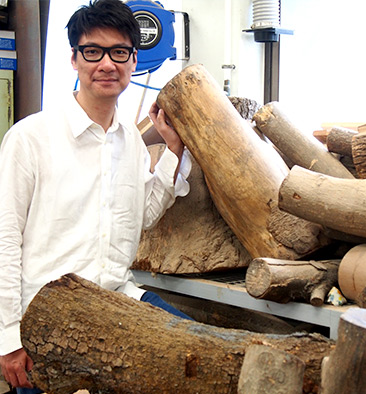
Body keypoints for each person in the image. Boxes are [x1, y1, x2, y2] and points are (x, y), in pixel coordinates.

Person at [0, 1, 192, 392]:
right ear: (74, 59)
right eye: (93, 52)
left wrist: (174, 152)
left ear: (134, 60)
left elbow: (143, 216)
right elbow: (4, 241)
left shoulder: (131, 142)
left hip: (115, 300)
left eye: (119, 52)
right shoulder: (30, 138)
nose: (107, 64)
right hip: (49, 314)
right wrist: (9, 338)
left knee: (196, 347)